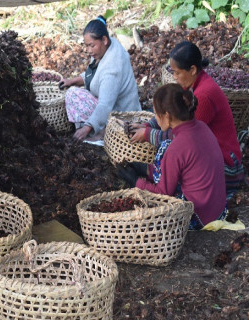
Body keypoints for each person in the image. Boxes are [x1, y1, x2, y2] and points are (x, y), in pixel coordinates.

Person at [130, 41, 244, 196]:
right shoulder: (194, 85)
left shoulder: (203, 96)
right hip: (209, 154)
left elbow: (183, 139)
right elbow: (171, 111)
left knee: (170, 152)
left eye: (177, 73)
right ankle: (150, 172)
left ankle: (151, 175)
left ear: (192, 69)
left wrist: (147, 134)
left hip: (226, 168)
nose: (174, 77)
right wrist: (148, 124)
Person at [119, 84, 227, 230]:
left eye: (156, 114)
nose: (155, 118)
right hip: (217, 211)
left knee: (164, 148)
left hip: (198, 216)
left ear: (167, 116)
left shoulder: (175, 148)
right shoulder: (201, 126)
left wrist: (135, 181)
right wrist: (144, 169)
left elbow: (162, 195)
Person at [58, 15, 141, 141]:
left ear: (104, 40)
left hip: (122, 115)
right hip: (113, 105)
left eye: (92, 45)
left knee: (72, 94)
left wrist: (87, 127)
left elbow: (105, 105)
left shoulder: (112, 67)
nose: (89, 50)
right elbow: (93, 74)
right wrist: (71, 81)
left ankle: (102, 134)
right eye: (87, 46)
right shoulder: (105, 48)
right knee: (72, 90)